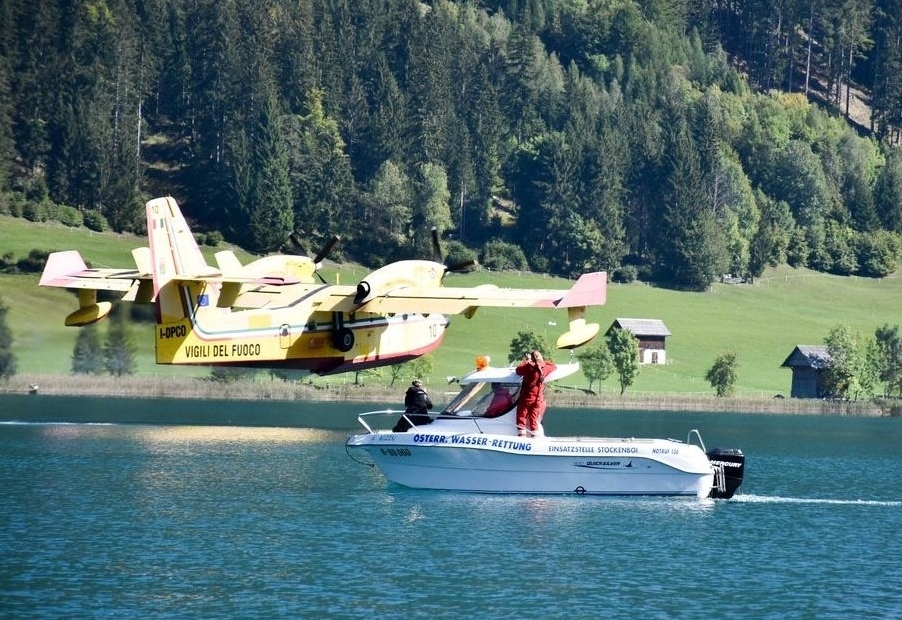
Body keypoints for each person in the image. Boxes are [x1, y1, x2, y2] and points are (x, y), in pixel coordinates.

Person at [514, 350, 556, 437]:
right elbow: (554, 366)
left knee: (521, 418)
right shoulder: (546, 368)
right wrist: (543, 362)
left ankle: (521, 438)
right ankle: (534, 438)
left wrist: (527, 360)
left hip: (526, 398)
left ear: (532, 359)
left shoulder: (528, 367)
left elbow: (518, 370)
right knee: (534, 420)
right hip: (537, 399)